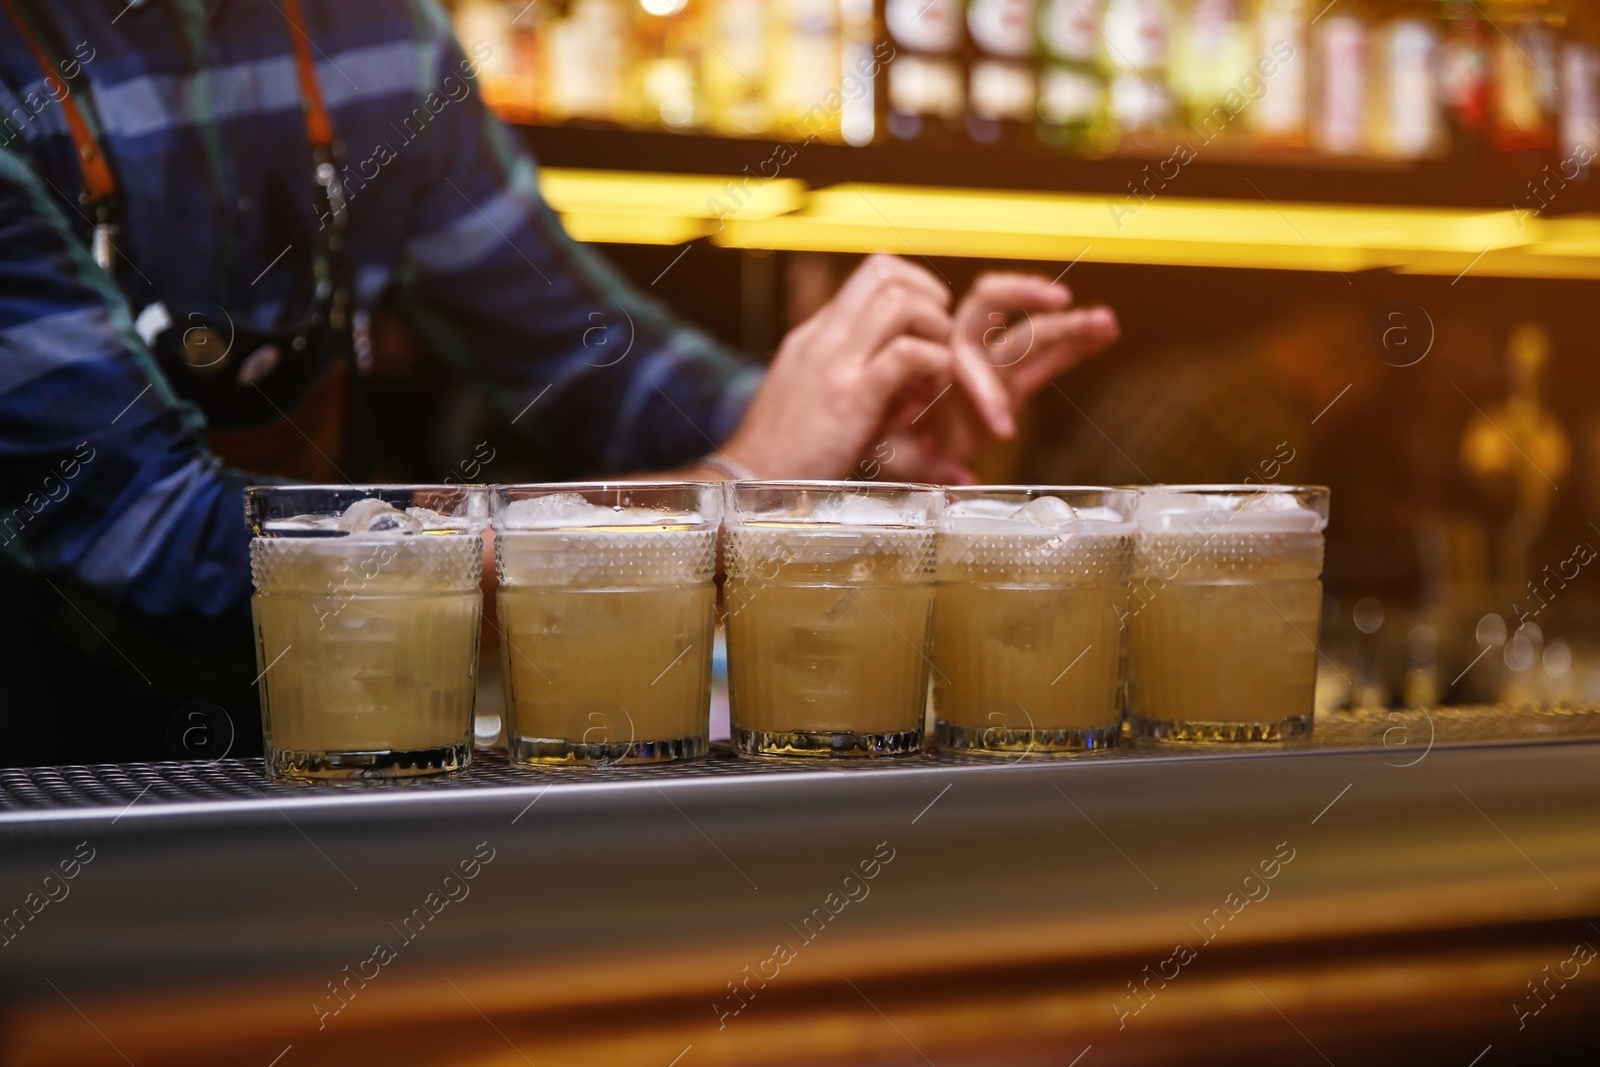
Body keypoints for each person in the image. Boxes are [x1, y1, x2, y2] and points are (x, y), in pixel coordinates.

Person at [0, 0, 1119, 765]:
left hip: (323, 753)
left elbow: (581, 352)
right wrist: (730, 488)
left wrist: (851, 428)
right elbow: (164, 535)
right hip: (43, 799)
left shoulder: (371, 33)